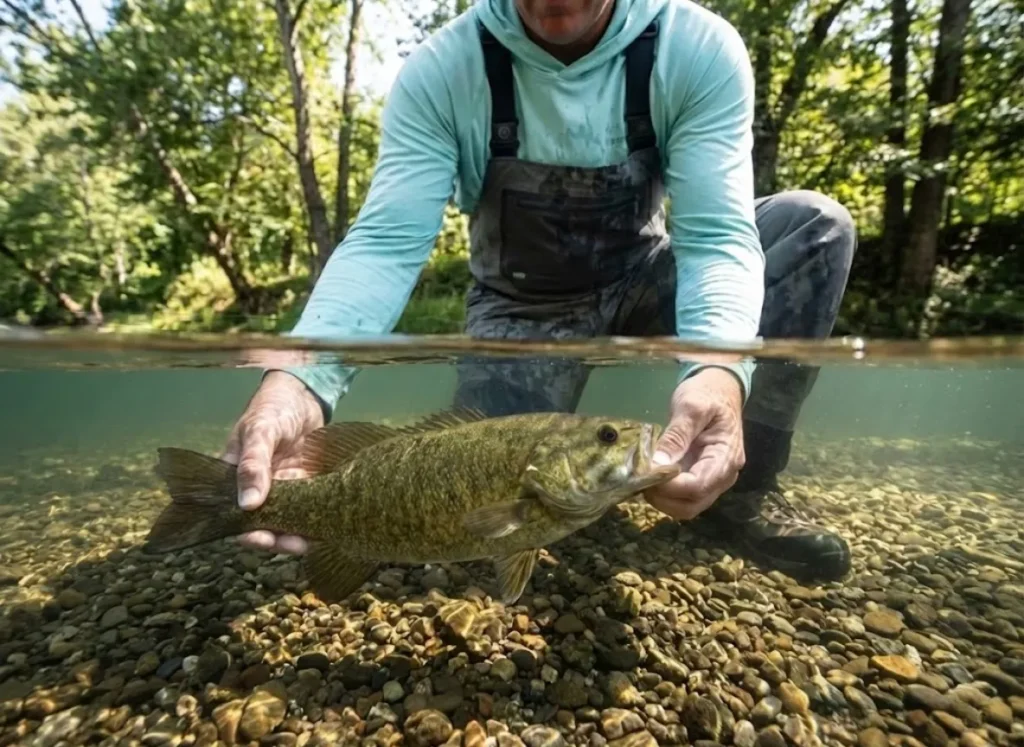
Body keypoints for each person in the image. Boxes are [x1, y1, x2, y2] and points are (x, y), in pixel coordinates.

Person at [223, 0, 857, 581]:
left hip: (647, 280)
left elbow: (716, 236)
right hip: (520, 311)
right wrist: (299, 380)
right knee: (475, 511)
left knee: (815, 226)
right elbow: (385, 242)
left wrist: (719, 367)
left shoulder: (694, 46)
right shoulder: (443, 70)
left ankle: (741, 493)